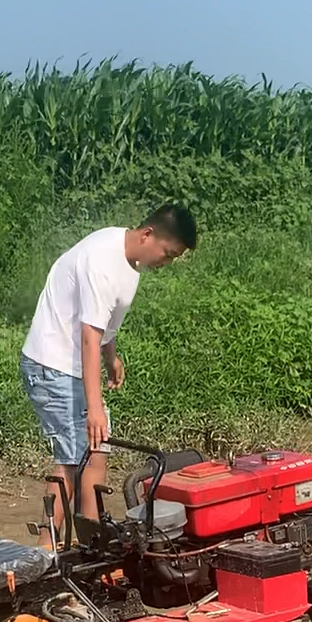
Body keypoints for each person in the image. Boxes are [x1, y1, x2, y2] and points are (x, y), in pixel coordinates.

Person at [20, 202, 196, 531]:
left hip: (71, 366)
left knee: (95, 449)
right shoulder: (102, 259)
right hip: (52, 366)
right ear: (148, 234)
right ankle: (47, 551)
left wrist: (111, 357)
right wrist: (95, 406)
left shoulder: (130, 262)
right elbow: (89, 337)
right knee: (73, 459)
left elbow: (102, 325)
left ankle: (90, 541)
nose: (166, 262)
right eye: (168, 254)